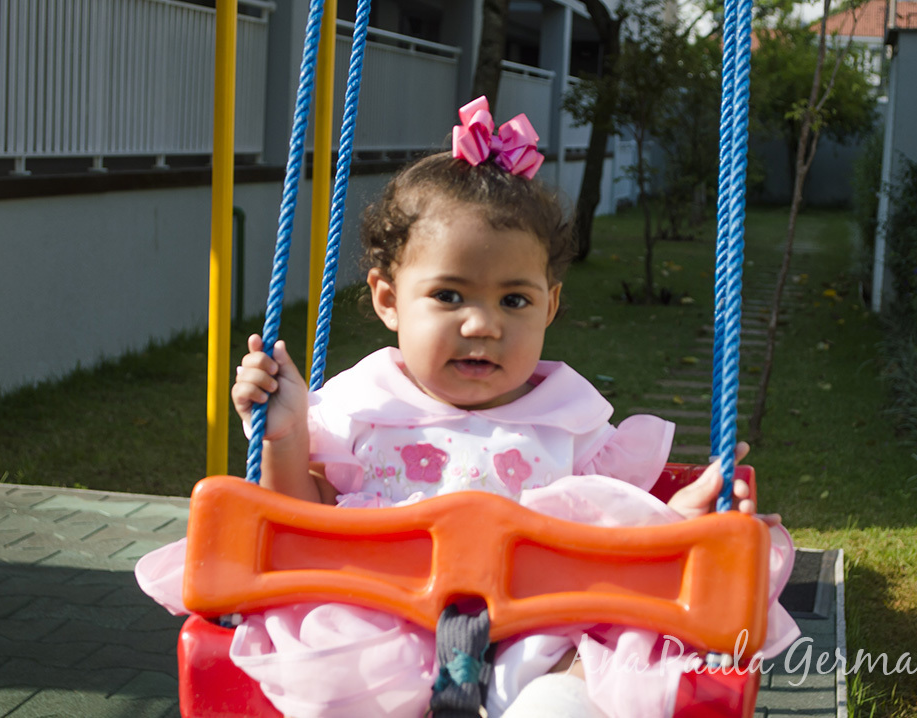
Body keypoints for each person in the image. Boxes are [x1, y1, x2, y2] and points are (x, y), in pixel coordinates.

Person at [137, 97, 799, 718]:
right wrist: (282, 436)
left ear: (550, 306)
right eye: (449, 296)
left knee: (581, 686)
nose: (483, 324)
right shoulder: (360, 408)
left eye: (514, 300)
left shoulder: (570, 423)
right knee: (333, 690)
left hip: (538, 633)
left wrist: (682, 521)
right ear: (388, 299)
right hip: (377, 633)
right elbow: (300, 523)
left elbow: (617, 534)